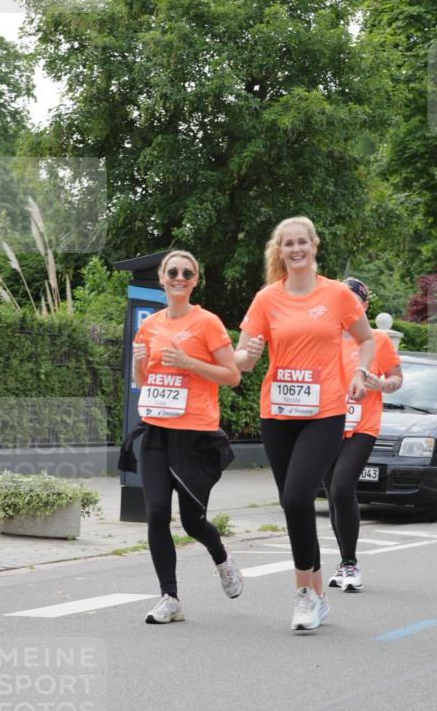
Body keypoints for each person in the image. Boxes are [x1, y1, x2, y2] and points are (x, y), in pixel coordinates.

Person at [235, 217, 375, 631]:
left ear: (314, 246)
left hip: (324, 412)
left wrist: (359, 375)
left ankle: (302, 595)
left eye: (302, 242)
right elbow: (242, 357)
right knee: (291, 505)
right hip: (277, 413)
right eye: (287, 244)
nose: (295, 249)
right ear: (279, 252)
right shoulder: (266, 299)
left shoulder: (336, 295)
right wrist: (247, 355)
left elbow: (366, 340)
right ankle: (318, 595)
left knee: (298, 498)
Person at [130, 250, 243, 624]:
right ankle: (170, 597)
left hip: (195, 433)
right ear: (162, 278)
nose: (179, 277)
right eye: (173, 272)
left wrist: (190, 364)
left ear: (195, 280)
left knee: (193, 520)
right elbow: (144, 382)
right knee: (157, 512)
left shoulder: (208, 322)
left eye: (187, 273)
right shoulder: (149, 326)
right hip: (156, 430)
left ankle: (222, 559)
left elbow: (232, 375)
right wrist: (137, 361)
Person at [325, 277, 402, 592]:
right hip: (327, 424)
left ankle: (351, 564)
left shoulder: (377, 340)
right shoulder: (326, 338)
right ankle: (344, 562)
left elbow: (397, 378)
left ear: (365, 305)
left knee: (343, 488)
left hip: (362, 426)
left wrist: (381, 385)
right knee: (332, 493)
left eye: (354, 300)